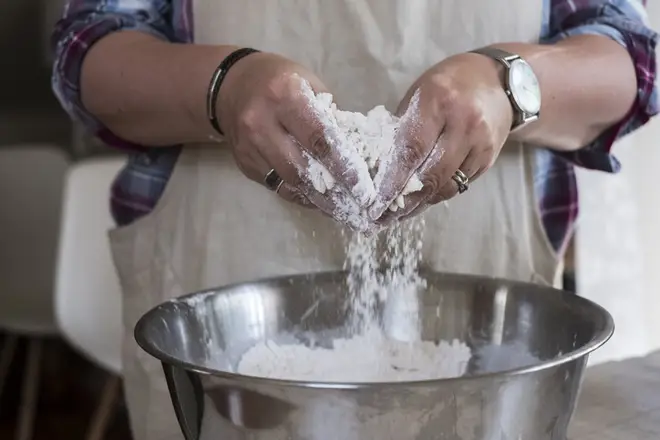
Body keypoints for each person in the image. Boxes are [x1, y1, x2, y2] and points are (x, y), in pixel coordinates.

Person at [53, 0, 657, 439]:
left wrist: (510, 85)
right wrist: (223, 87)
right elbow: (88, 50)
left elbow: (632, 63)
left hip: (485, 342)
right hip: (224, 334)